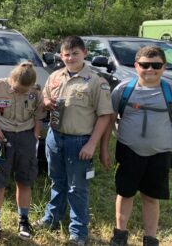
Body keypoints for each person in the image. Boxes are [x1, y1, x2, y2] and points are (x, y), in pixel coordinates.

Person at [35, 36, 113, 246]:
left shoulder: (96, 81)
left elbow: (105, 115)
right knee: (56, 181)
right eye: (66, 54)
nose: (70, 58)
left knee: (77, 187)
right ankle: (52, 218)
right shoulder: (55, 76)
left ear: (84, 53)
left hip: (79, 140)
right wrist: (46, 102)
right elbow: (43, 98)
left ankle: (78, 231)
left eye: (75, 53)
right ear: (61, 55)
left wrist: (92, 144)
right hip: (54, 136)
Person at [100, 46, 171, 246]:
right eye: (145, 65)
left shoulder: (169, 91)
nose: (150, 69)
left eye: (156, 65)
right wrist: (104, 149)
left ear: (163, 67)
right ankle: (120, 235)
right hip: (129, 151)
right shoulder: (123, 90)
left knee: (151, 197)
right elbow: (108, 121)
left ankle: (150, 238)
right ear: (136, 66)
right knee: (125, 194)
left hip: (160, 154)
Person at [0, 61, 46, 240]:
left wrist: (35, 136)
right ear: (11, 79)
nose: (20, 92)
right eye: (16, 88)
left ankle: (23, 220)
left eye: (25, 90)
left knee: (25, 180)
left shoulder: (36, 91)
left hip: (26, 137)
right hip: (1, 136)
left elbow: (39, 115)